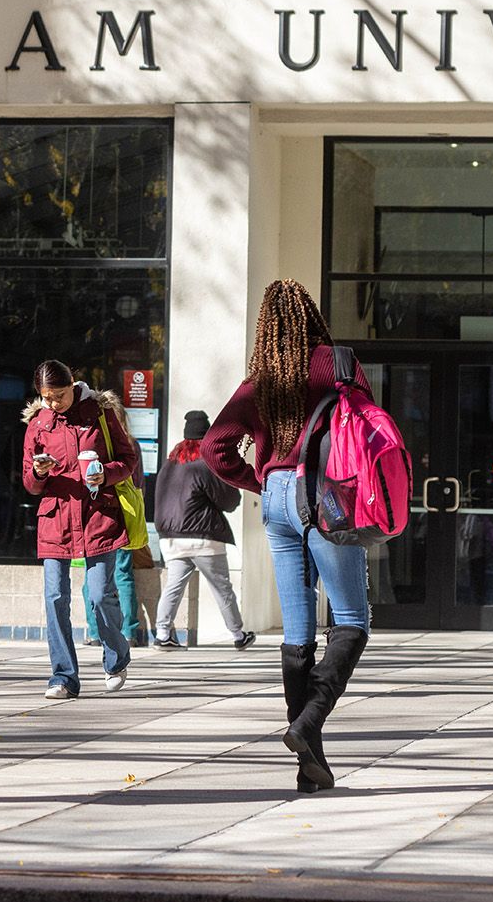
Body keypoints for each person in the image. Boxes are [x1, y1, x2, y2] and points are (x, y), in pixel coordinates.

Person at [204, 279, 370, 794]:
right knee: (351, 620)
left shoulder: (260, 381)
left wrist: (260, 481)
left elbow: (215, 446)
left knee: (297, 632)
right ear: (312, 318)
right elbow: (366, 426)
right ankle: (308, 721)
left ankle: (309, 767)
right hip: (325, 493)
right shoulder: (337, 364)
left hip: (276, 497)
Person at [21, 359, 135, 700]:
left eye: (60, 395)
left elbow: (128, 459)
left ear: (74, 385)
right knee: (55, 598)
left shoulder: (99, 413)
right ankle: (63, 677)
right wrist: (40, 472)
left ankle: (117, 658)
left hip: (98, 515)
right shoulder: (38, 424)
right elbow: (29, 481)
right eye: (47, 396)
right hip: (55, 519)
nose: (54, 403)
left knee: (100, 594)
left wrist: (106, 474)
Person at [151, 410, 253, 650]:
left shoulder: (170, 463)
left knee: (174, 586)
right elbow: (229, 500)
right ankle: (238, 635)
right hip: (203, 537)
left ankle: (163, 633)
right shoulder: (205, 463)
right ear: (206, 436)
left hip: (171, 539)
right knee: (221, 586)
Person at [84, 392, 147, 649]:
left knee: (91, 574)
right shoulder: (130, 444)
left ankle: (94, 630)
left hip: (96, 515)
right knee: (122, 573)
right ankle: (129, 630)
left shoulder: (92, 441)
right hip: (125, 512)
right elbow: (139, 483)